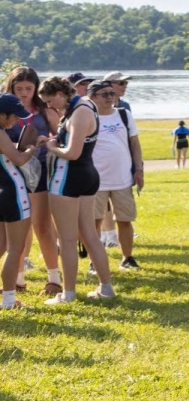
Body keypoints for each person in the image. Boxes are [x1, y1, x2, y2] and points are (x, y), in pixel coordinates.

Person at [40, 76, 115, 305]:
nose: (50, 106)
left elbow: (72, 153)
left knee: (68, 238)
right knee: (90, 235)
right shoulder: (85, 104)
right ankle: (106, 288)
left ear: (61, 94)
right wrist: (56, 138)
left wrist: (52, 147)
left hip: (68, 178)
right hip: (86, 175)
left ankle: (68, 294)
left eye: (51, 100)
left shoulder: (79, 111)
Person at [3, 66, 59, 295]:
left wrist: (47, 140)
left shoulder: (44, 110)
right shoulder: (4, 107)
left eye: (29, 88)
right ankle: (17, 281)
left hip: (40, 174)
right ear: (11, 87)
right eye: (19, 88)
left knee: (42, 225)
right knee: (17, 232)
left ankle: (53, 278)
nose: (24, 93)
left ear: (36, 88)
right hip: (10, 176)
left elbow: (60, 135)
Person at [89, 80, 145, 272]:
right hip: (96, 180)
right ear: (92, 97)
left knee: (124, 219)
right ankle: (94, 262)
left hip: (122, 178)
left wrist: (139, 169)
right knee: (94, 222)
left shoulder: (124, 114)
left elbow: (135, 143)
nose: (110, 98)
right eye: (105, 94)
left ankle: (127, 258)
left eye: (112, 94)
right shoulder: (88, 117)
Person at [0, 93, 36, 311]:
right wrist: (31, 148)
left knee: (1, 247)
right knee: (15, 249)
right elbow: (19, 159)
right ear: (2, 114)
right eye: (14, 117)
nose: (17, 121)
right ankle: (9, 300)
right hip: (13, 192)